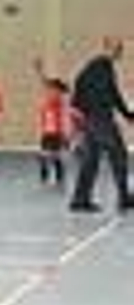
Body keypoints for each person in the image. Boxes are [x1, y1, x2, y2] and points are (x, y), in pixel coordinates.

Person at [68, 37, 133, 212]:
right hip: (100, 119)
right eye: (116, 48)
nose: (119, 52)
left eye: (120, 49)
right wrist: (125, 114)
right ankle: (124, 198)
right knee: (119, 155)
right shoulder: (102, 66)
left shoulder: (96, 66)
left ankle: (80, 199)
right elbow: (111, 93)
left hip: (91, 119)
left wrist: (78, 107)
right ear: (107, 48)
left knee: (90, 160)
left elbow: (80, 83)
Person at [32, 59, 72, 188]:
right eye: (50, 89)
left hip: (57, 132)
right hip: (46, 132)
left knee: (56, 156)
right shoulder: (48, 100)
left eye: (54, 89)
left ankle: (59, 179)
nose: (51, 91)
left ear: (59, 91)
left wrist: (66, 134)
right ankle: (44, 178)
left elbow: (63, 90)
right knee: (43, 155)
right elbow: (45, 82)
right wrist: (39, 71)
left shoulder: (59, 100)